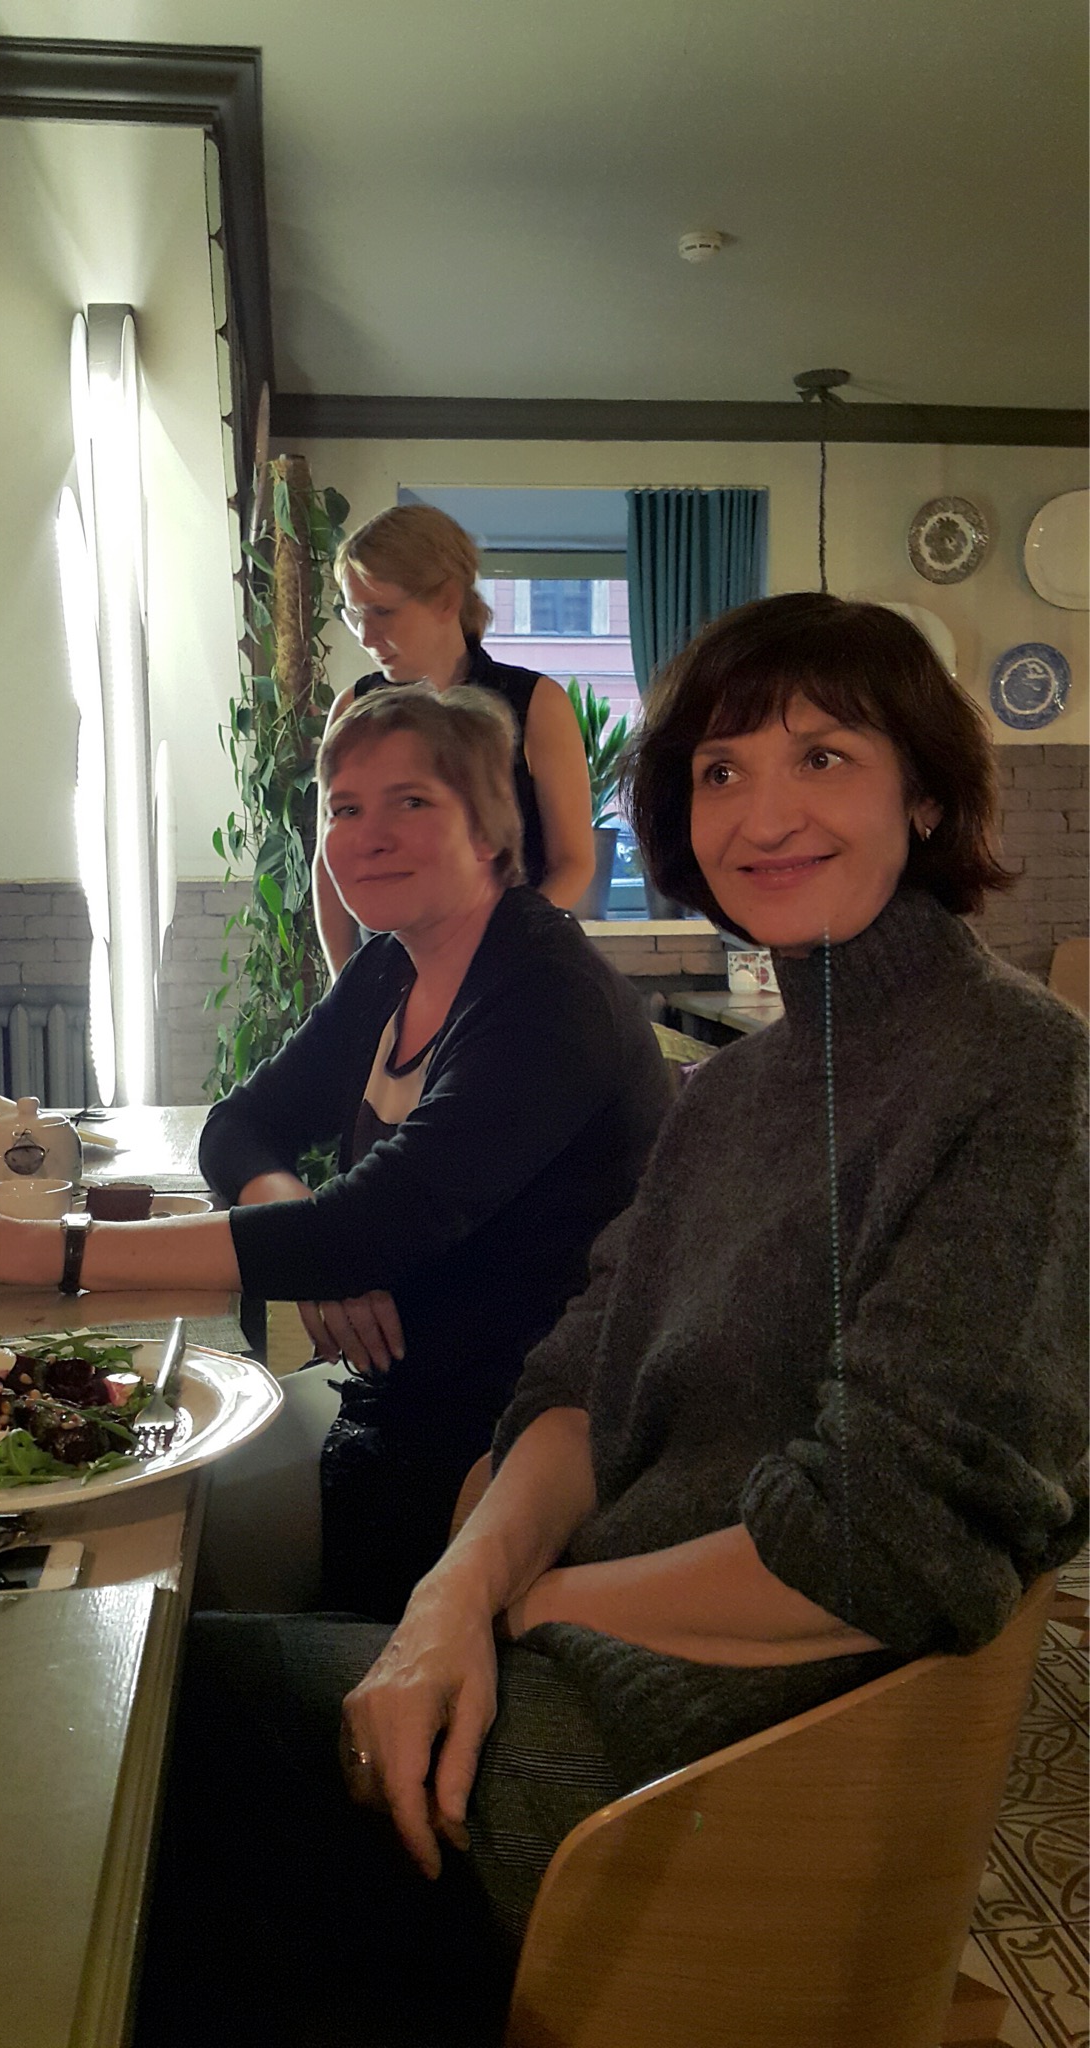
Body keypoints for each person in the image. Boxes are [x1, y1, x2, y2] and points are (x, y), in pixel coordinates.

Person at [128, 591, 1086, 2048]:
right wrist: (454, 1598)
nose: (764, 811)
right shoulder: (740, 1088)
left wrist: (523, 1606)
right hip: (582, 1663)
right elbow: (580, 1372)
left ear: (930, 794)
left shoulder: (1018, 1070)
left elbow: (878, 1545)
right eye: (721, 768)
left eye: (824, 756)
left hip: (710, 1769)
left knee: (153, 1763)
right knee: (161, 1694)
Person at [0, 685, 668, 1621]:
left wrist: (18, 1249)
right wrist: (307, 1229)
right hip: (396, 1406)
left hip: (511, 1457)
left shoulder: (546, 995)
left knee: (141, 1577)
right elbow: (239, 1125)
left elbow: (375, 1225)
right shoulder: (392, 965)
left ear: (490, 830)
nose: (369, 836)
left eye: (412, 801)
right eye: (345, 809)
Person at [313, 502, 596, 976]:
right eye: (353, 614)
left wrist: (498, 951)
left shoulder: (536, 702)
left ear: (446, 600)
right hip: (388, 973)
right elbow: (327, 865)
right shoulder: (352, 708)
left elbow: (574, 863)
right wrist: (347, 987)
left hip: (514, 972)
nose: (364, 635)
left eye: (382, 611)